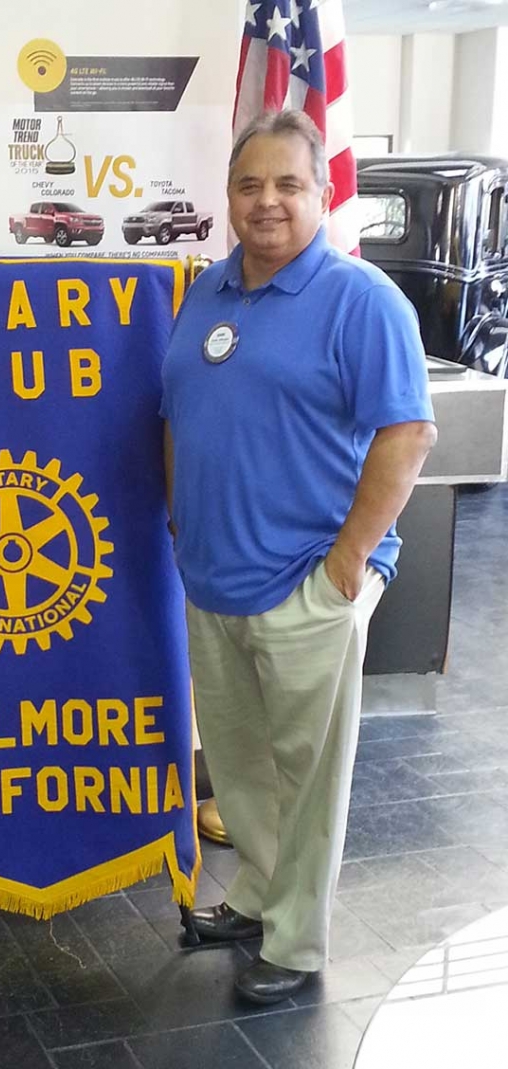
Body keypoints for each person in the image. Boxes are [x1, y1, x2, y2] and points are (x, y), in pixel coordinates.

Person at [161, 111, 436, 1005]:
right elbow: (179, 417)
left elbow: (409, 433)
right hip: (212, 576)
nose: (267, 201)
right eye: (249, 185)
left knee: (308, 778)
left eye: (288, 184)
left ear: (323, 194)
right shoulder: (206, 292)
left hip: (308, 580)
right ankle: (254, 897)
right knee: (241, 764)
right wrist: (180, 522)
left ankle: (298, 941)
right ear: (229, 197)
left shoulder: (362, 301)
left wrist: (351, 559)